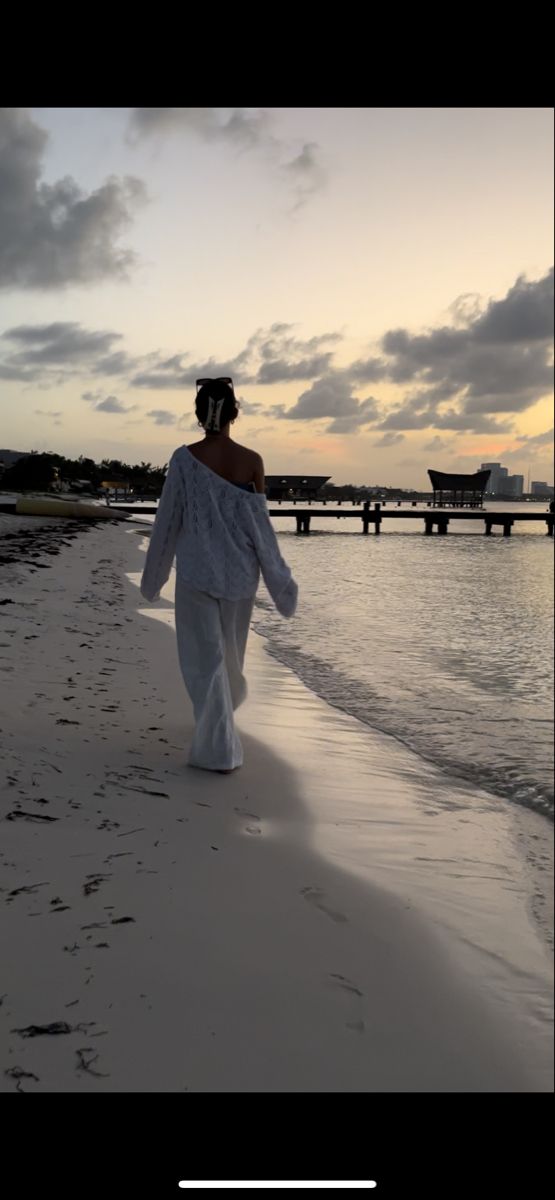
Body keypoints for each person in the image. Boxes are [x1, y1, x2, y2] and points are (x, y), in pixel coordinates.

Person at [140, 377, 298, 774]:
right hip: (241, 577)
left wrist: (154, 576)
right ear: (234, 413)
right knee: (228, 658)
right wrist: (281, 584)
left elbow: (168, 521)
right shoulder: (252, 461)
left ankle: (217, 747)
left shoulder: (183, 459)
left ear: (199, 413)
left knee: (204, 660)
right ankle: (220, 721)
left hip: (196, 573)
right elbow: (261, 530)